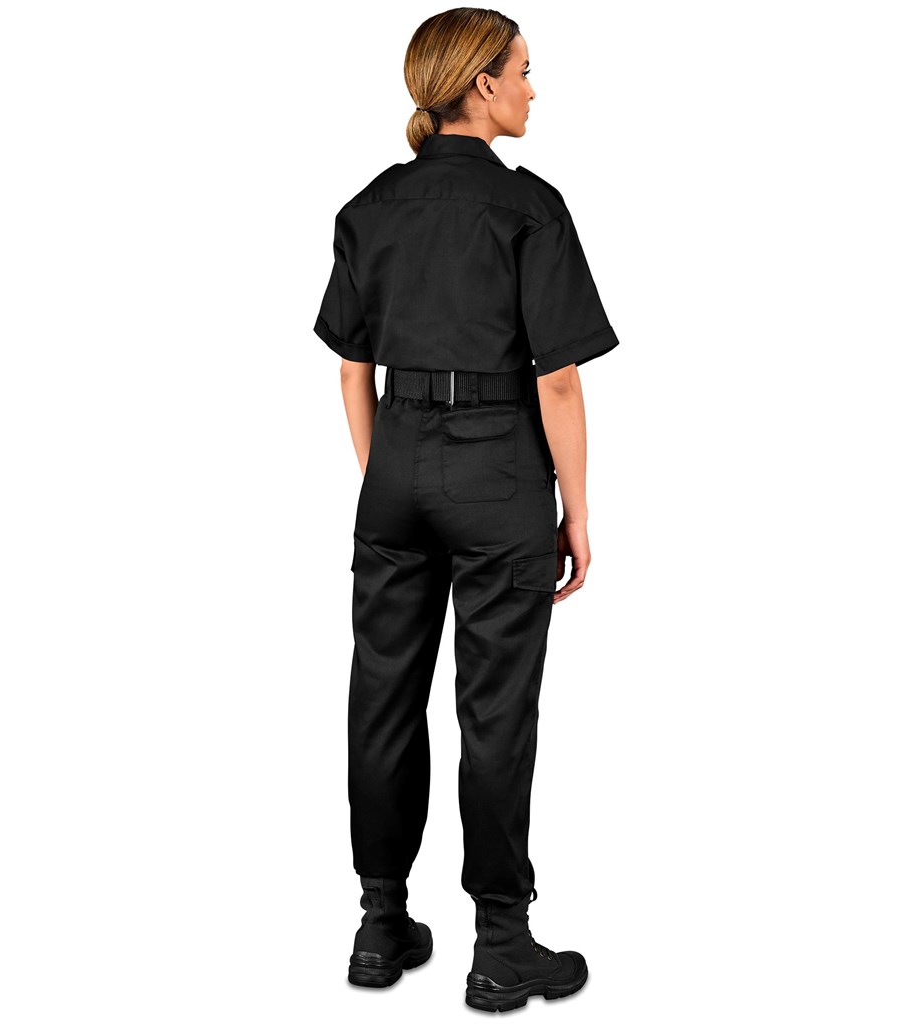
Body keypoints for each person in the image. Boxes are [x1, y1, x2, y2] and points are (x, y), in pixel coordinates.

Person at [312, 8, 619, 1012]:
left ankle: (379, 924)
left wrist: (390, 474)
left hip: (395, 461)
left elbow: (351, 370)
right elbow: (558, 380)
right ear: (481, 85)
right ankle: (501, 943)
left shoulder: (368, 206)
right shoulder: (528, 207)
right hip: (498, 471)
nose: (534, 88)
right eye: (524, 70)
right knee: (494, 714)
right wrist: (577, 509)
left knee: (381, 699)